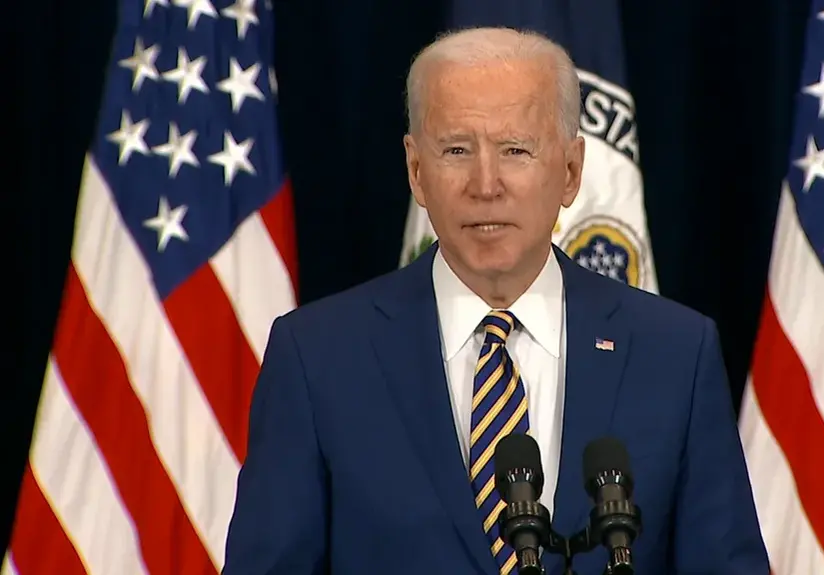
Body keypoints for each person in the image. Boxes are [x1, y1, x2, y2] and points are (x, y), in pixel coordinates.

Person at [221, 26, 769, 575]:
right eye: (456, 150)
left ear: (571, 171)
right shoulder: (317, 358)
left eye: (515, 150)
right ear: (416, 170)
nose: (486, 185)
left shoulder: (675, 354)